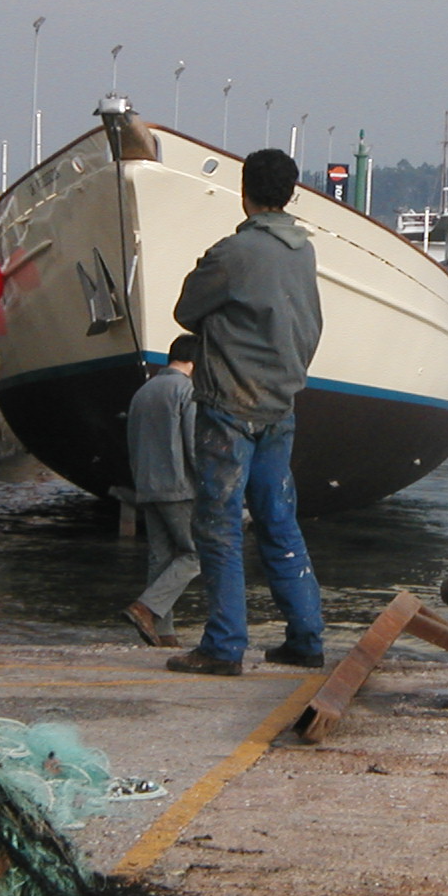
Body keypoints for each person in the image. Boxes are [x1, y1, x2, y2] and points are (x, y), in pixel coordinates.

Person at [166, 148, 325, 677]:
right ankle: (305, 637)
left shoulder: (235, 252)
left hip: (231, 405)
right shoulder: (303, 252)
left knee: (219, 523)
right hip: (281, 406)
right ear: (292, 193)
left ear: (245, 191)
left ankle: (224, 644)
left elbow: (186, 310)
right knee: (279, 519)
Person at [120, 334, 202, 649]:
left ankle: (163, 633)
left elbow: (131, 441)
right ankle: (146, 607)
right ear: (195, 361)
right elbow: (193, 444)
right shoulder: (186, 391)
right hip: (178, 487)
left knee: (160, 557)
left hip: (147, 486)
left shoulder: (143, 391)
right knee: (195, 554)